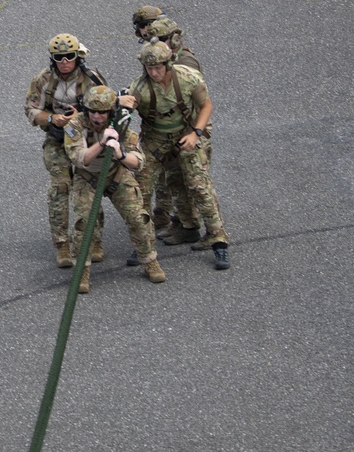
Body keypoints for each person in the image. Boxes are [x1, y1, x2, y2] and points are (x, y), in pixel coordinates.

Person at [126, 41, 231, 270]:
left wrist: (196, 133)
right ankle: (143, 244)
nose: (153, 72)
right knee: (141, 190)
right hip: (155, 141)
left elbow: (206, 106)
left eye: (158, 67)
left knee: (199, 185)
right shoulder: (140, 88)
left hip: (186, 135)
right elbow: (125, 112)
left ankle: (218, 238)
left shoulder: (188, 78)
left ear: (168, 64)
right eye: (149, 68)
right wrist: (121, 104)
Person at [63, 86, 166, 292]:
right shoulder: (74, 125)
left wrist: (120, 154)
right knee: (84, 224)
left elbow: (138, 162)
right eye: (92, 111)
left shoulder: (122, 125)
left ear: (110, 111)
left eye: (102, 112)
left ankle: (149, 260)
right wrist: (102, 143)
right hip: (88, 177)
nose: (96, 116)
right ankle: (82, 271)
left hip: (115, 174)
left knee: (139, 218)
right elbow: (79, 158)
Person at [25, 34, 106, 268]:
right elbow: (31, 110)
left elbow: (107, 108)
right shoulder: (43, 80)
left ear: (77, 56)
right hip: (57, 140)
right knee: (60, 187)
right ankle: (62, 244)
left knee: (90, 187)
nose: (64, 62)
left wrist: (80, 116)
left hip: (86, 140)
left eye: (69, 56)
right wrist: (52, 118)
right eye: (59, 58)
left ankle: (95, 240)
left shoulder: (92, 78)